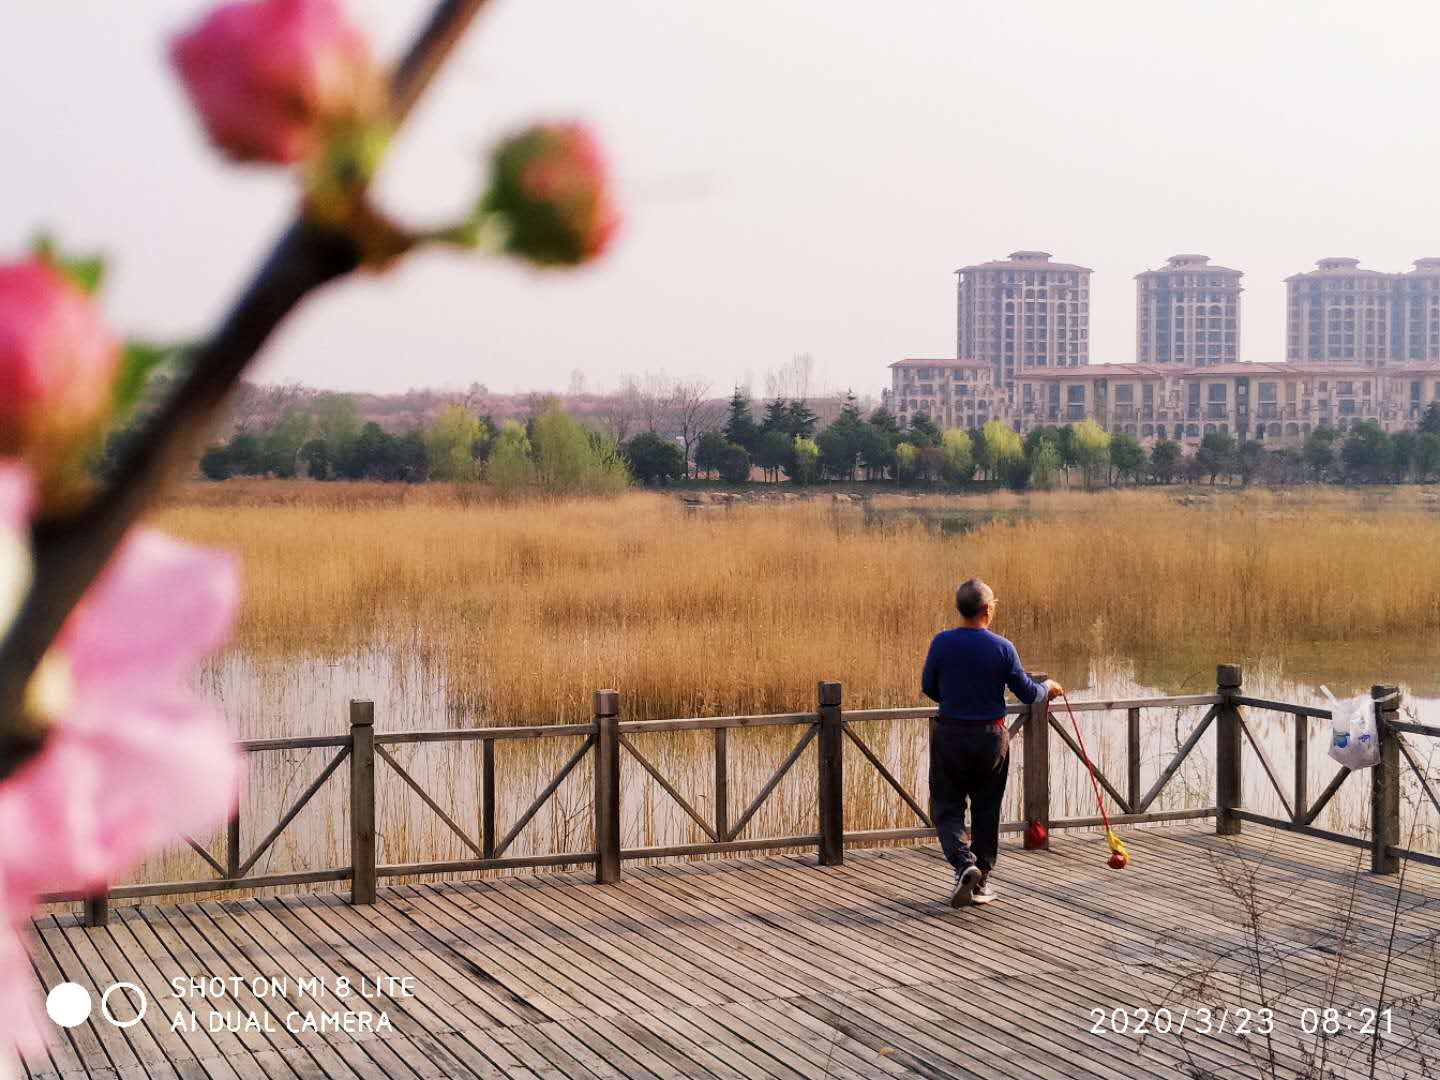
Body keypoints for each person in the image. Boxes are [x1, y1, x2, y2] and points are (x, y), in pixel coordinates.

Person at [921, 577, 1061, 907]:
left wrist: (955, 698)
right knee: (986, 810)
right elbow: (1028, 692)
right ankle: (980, 878)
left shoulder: (942, 643)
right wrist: (1049, 688)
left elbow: (929, 686)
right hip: (991, 738)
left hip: (951, 734)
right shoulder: (1002, 647)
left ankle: (962, 863)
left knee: (947, 807)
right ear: (987, 608)